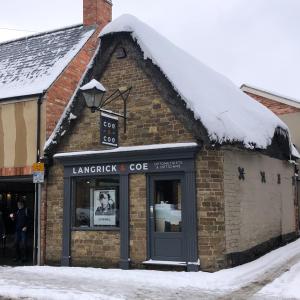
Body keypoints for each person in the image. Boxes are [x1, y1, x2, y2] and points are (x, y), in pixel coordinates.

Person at [10, 197, 29, 262]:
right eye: (18, 204)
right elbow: (14, 220)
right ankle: (17, 257)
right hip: (17, 230)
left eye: (19, 204)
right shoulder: (17, 211)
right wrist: (12, 218)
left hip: (23, 230)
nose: (18, 205)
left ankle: (24, 258)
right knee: (15, 244)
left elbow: (29, 220)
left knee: (23, 244)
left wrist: (26, 226)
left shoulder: (26, 210)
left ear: (22, 204)